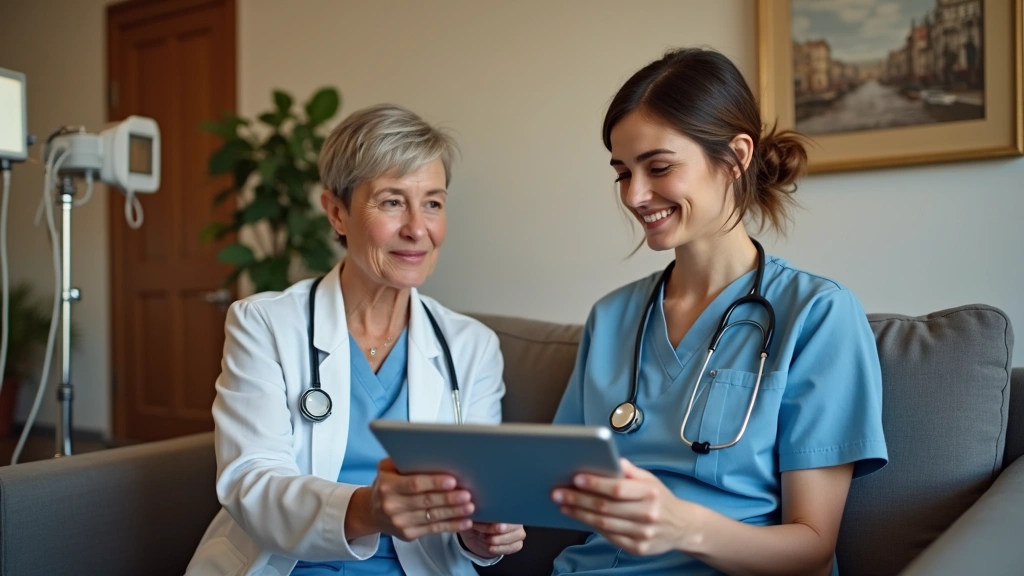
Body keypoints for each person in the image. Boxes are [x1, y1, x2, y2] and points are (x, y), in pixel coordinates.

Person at [548, 48, 888, 575]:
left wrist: (683, 526)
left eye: (658, 167)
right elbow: (557, 486)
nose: (635, 195)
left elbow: (813, 547)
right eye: (622, 173)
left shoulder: (817, 315)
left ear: (735, 157)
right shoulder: (611, 317)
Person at [186, 103, 526, 576]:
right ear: (337, 213)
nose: (417, 228)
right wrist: (366, 509)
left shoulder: (471, 347)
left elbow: (474, 499)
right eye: (391, 201)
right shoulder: (264, 324)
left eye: (432, 202)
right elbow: (252, 482)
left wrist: (483, 535)